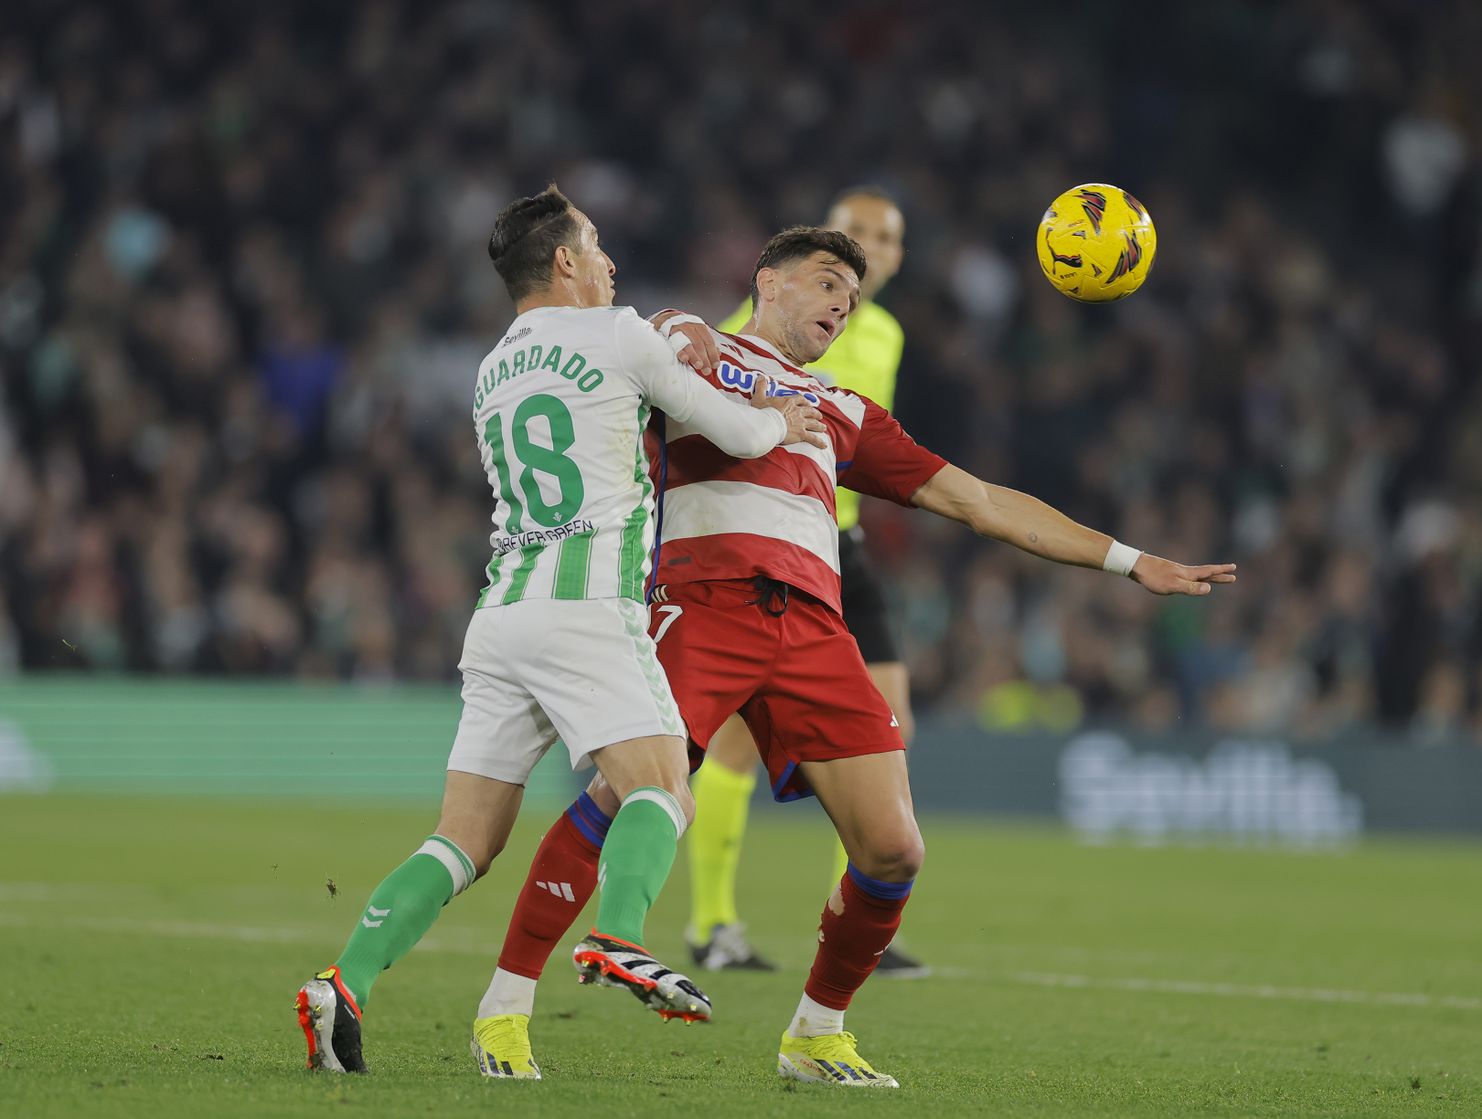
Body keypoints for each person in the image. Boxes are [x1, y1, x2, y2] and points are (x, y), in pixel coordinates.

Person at [473, 225, 1237, 1088]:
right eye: (828, 280)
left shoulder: (843, 410)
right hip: (704, 604)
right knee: (624, 797)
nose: (844, 303)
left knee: (893, 848)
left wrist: (1132, 560)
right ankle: (504, 1009)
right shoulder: (692, 339)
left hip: (815, 630)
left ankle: (816, 1034)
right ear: (767, 280)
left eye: (854, 295)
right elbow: (615, 388)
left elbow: (979, 500)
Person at [294, 185, 827, 1078]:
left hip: (503, 612)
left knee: (463, 839)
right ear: (567, 261)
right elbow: (732, 428)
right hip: (588, 607)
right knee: (663, 786)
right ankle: (618, 933)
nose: (612, 263)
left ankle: (342, 981)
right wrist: (787, 419)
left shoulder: (491, 366)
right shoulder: (619, 330)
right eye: (599, 246)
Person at [689, 186, 927, 976]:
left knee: (891, 726)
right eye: (853, 232)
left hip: (842, 545)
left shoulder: (884, 332)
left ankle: (857, 916)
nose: (869, 244)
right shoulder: (743, 334)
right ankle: (712, 922)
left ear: (894, 257)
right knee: (732, 747)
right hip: (761, 548)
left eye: (882, 238)